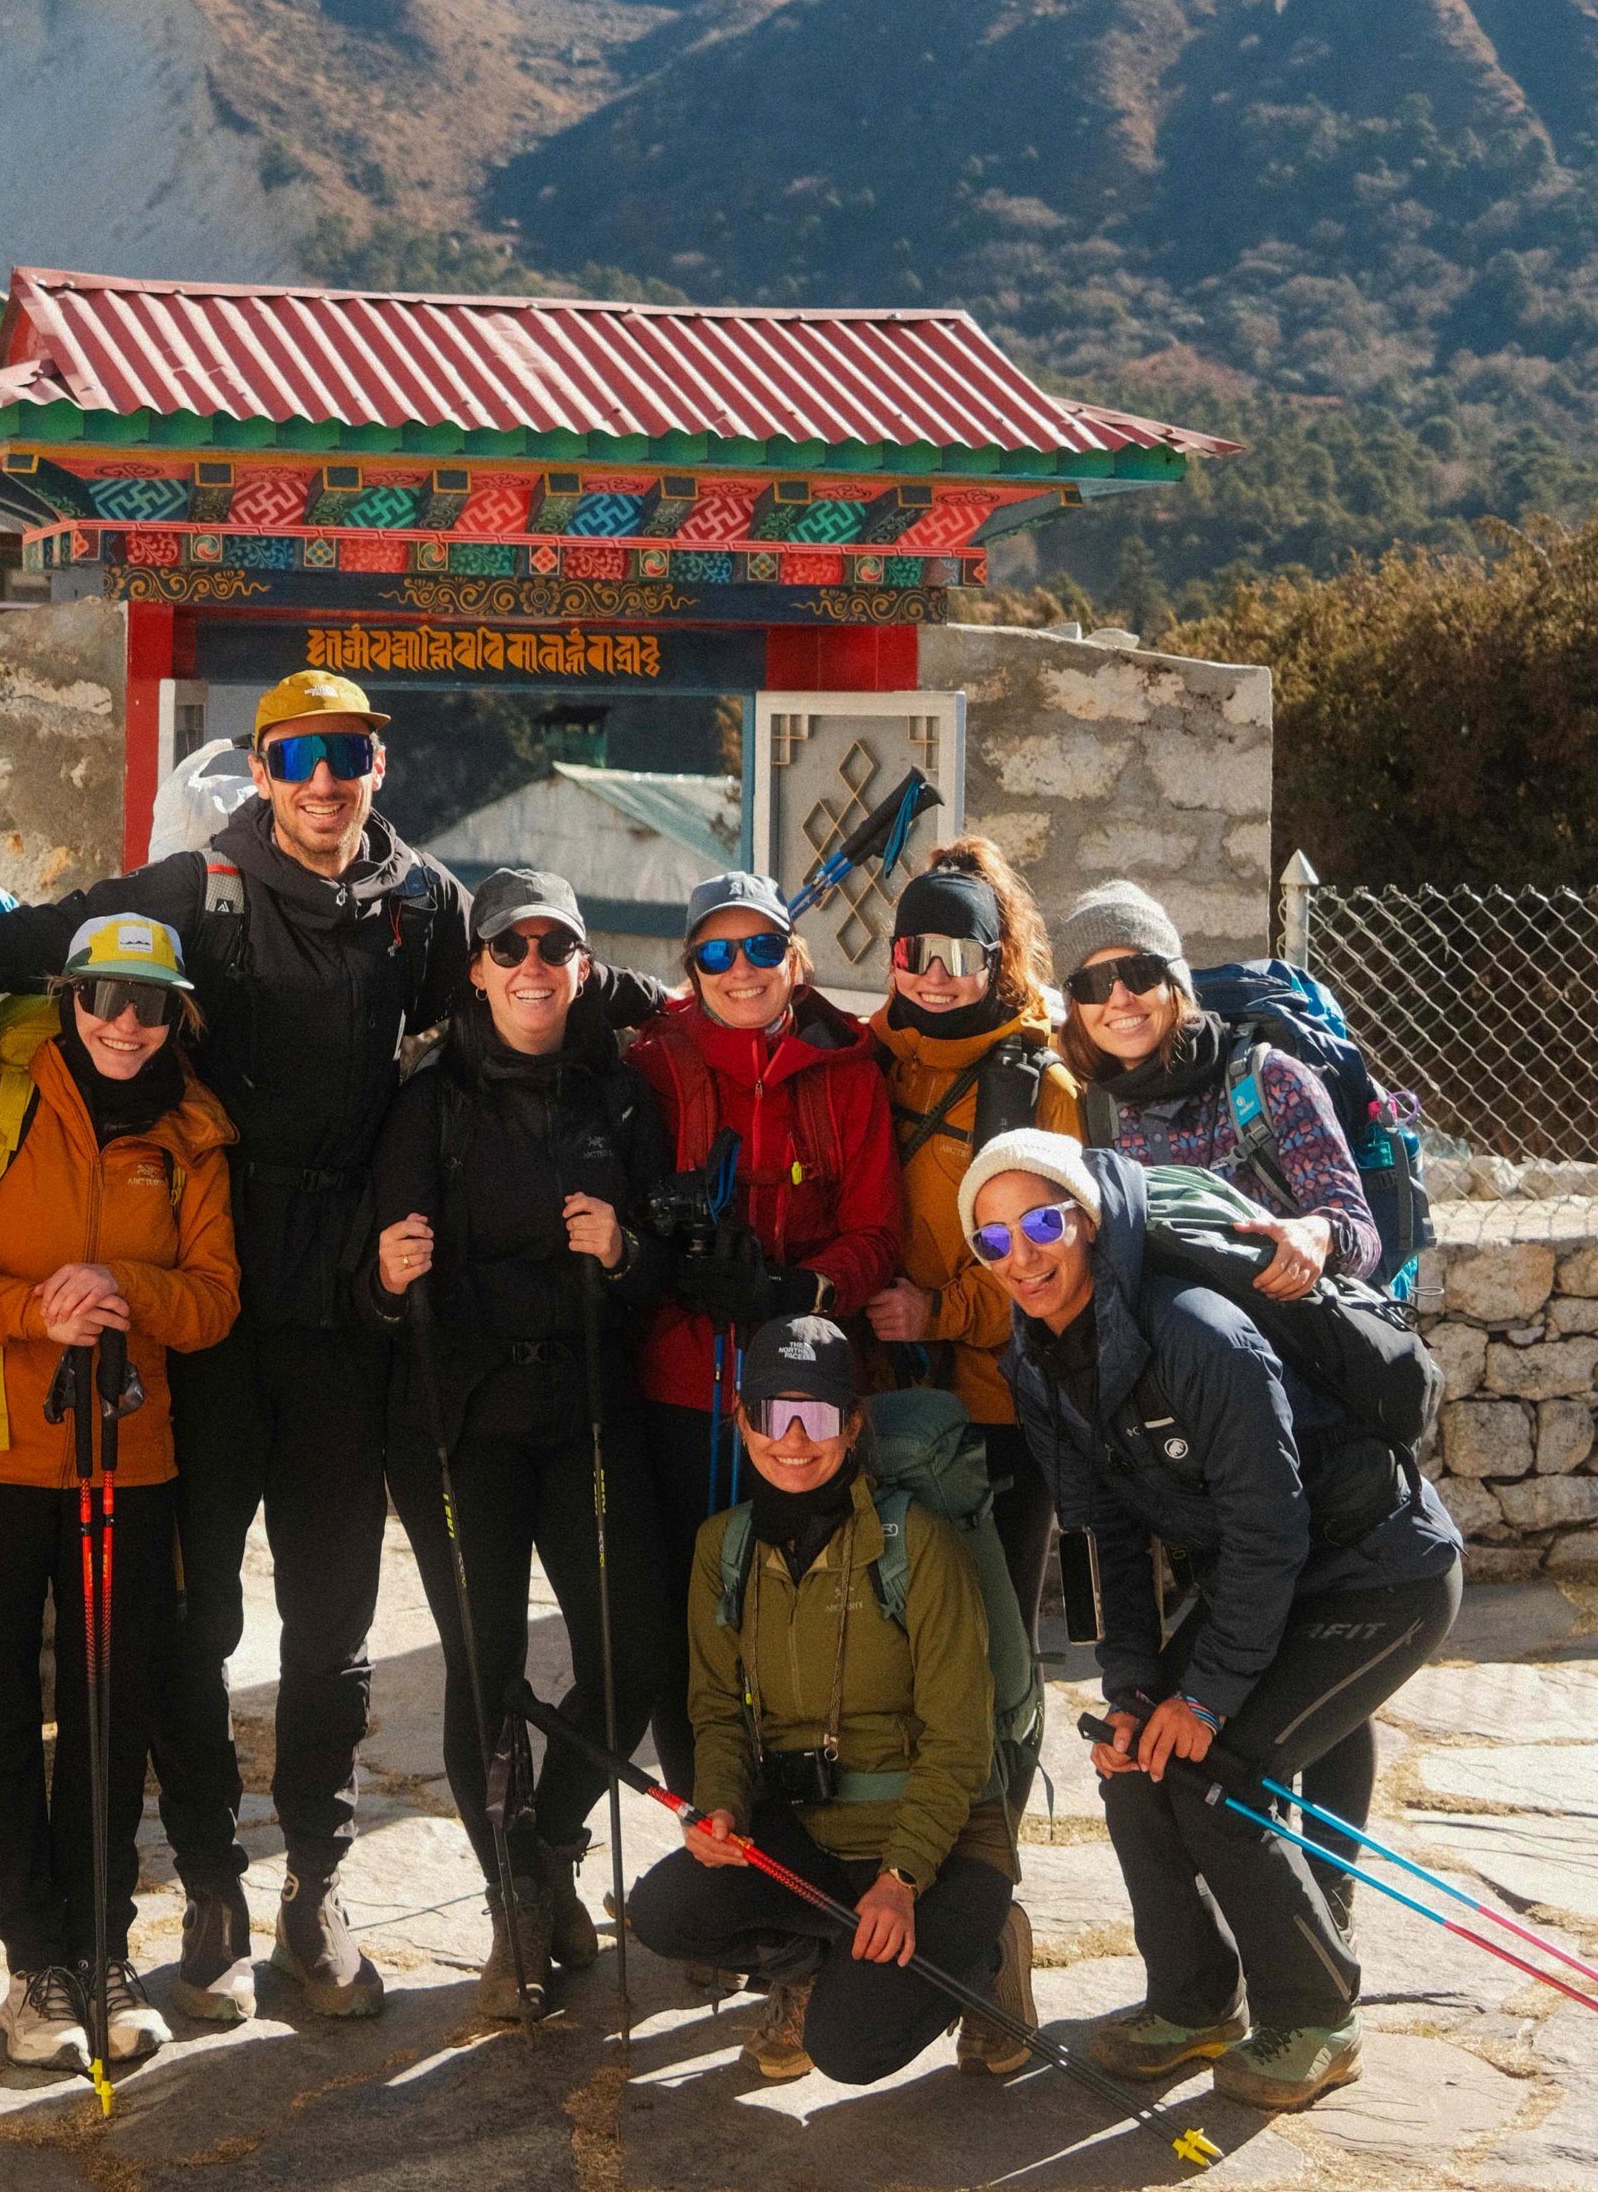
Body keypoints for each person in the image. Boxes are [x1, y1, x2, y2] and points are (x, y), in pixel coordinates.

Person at [0, 668, 479, 2025]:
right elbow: (25, 946)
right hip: (197, 1297)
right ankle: (208, 1873)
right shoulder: (193, 890)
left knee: (331, 1616)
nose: (326, 779)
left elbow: (518, 1010)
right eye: (300, 754)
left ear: (381, 765)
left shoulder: (428, 906)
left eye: (350, 753)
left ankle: (316, 1885)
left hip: (338, 1310)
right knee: (187, 1616)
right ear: (262, 768)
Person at [971, 1131, 1463, 2110]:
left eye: (1040, 1222)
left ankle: (1316, 2019)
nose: (1020, 1256)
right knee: (1133, 1763)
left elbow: (1268, 1520)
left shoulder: (1193, 1329)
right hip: (1266, 1575)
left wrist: (1204, 1698)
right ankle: (1194, 2002)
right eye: (992, 1239)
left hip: (1379, 1572)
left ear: (1089, 1221)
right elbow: (1105, 1533)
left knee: (1212, 1775)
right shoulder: (1033, 1361)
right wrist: (1134, 1692)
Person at [0, 913, 240, 2063]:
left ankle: (100, 1948)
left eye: (150, 1004)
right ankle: (31, 1962)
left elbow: (213, 1300)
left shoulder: (192, 1134)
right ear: (70, 998)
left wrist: (124, 1288)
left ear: (176, 1014)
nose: (124, 1024)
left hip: (126, 1462)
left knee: (109, 1707)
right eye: (103, 997)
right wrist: (33, 1308)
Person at [364, 868, 677, 2016]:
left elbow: (662, 1270)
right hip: (459, 1425)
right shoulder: (429, 1100)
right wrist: (390, 1282)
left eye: (555, 946)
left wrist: (624, 1252)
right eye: (510, 948)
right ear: (478, 969)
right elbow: (377, 1277)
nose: (533, 965)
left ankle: (547, 1842)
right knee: (486, 1669)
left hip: (589, 1409)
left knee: (629, 1655)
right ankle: (513, 1911)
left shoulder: (622, 1096)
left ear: (582, 966)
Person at [626, 1314, 1021, 2085]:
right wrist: (723, 1808)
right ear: (742, 1422)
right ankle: (816, 1965)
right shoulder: (724, 1548)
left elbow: (960, 1742)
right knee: (668, 1909)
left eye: (820, 1414)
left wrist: (900, 1880)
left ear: (854, 1425)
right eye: (774, 1414)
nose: (795, 1440)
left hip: (935, 1852)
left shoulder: (921, 1544)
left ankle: (989, 1956)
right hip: (811, 1837)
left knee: (850, 2050)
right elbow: (717, 1713)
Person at [628, 870, 903, 1792]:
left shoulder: (848, 1069)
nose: (739, 971)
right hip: (681, 1380)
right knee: (688, 1608)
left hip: (807, 1386)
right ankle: (708, 1809)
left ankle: (809, 1801)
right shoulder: (654, 1064)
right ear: (692, 966)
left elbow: (876, 1229)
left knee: (799, 1602)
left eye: (758, 949)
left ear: (794, 957)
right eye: (715, 953)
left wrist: (795, 1291)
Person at [864, 843, 1082, 1647]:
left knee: (994, 1631)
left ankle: (1000, 1777)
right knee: (896, 1632)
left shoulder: (1040, 1087)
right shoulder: (870, 1061)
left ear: (997, 963)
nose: (934, 974)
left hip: (1003, 1399)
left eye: (959, 956)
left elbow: (1056, 1263)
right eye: (914, 953)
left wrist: (937, 1313)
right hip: (886, 1383)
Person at [1055, 880, 1380, 1291]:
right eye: (1093, 983)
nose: (1120, 999)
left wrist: (1315, 1234)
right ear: (1075, 1008)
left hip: (1285, 1329)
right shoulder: (1086, 1106)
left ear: (1174, 983)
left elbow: (1361, 1237)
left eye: (1140, 973)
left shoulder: (1270, 1080)